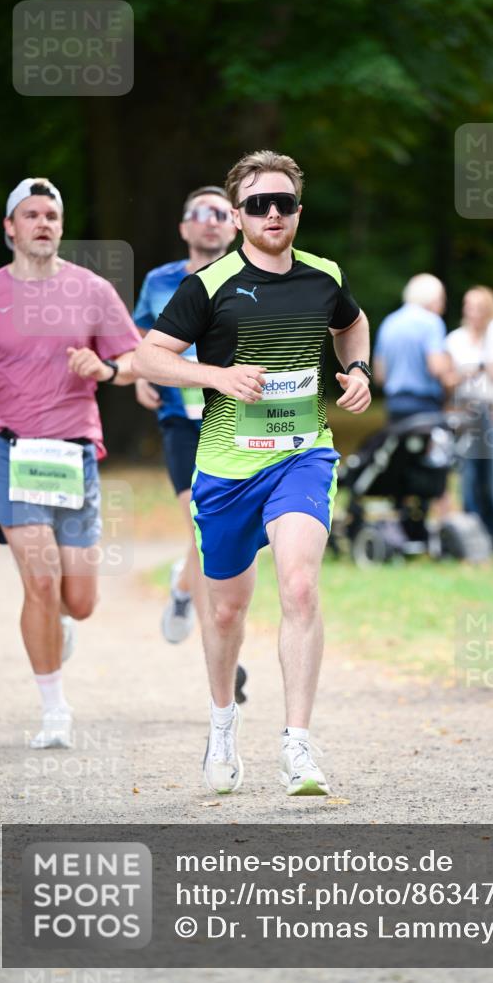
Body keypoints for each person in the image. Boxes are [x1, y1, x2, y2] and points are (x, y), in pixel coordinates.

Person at [132, 150, 371, 797]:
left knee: (298, 587)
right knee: (227, 611)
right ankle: (221, 725)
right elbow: (149, 357)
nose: (273, 214)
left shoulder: (322, 275)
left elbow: (352, 325)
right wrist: (216, 376)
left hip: (300, 455)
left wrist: (357, 372)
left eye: (284, 203)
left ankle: (297, 745)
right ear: (237, 215)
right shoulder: (208, 286)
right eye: (259, 204)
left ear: (297, 211)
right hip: (224, 469)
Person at [0, 177, 140, 748]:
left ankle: (61, 624)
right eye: (30, 215)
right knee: (41, 580)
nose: (42, 223)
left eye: (51, 214)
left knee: (80, 600)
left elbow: (136, 358)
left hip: (72, 450)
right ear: (10, 228)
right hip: (8, 447)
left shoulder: (92, 290)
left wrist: (107, 371)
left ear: (61, 226)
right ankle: (54, 711)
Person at [133, 185, 248, 702]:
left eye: (220, 213)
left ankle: (183, 589)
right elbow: (139, 337)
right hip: (182, 419)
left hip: (236, 418)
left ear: (235, 223)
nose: (210, 222)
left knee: (214, 531)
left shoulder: (250, 278)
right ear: (184, 228)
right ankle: (228, 663)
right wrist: (139, 375)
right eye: (198, 214)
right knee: (203, 529)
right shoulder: (160, 281)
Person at [445, 286, 493, 550]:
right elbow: (448, 381)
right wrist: (475, 370)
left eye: (478, 307)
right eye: (468, 306)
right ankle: (473, 537)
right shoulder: (454, 340)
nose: (472, 313)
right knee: (468, 475)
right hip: (465, 412)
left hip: (492, 412)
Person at [373, 273, 451, 420]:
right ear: (432, 298)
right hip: (425, 405)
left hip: (394, 404)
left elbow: (379, 375)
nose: (443, 306)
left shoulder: (389, 322)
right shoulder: (432, 322)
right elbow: (436, 368)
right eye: (442, 299)